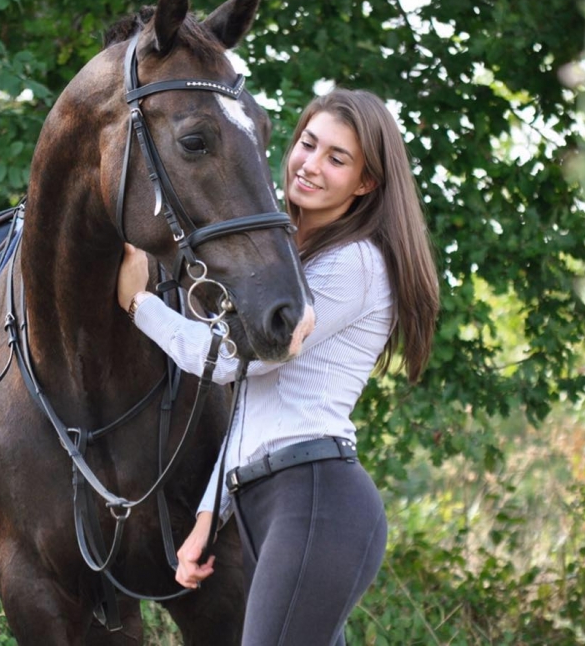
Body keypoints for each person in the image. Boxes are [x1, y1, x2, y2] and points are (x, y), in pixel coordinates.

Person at [117, 88, 439, 646]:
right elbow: (251, 408)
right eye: (308, 144)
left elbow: (228, 364)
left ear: (366, 183)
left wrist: (138, 305)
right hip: (273, 501)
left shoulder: (354, 264)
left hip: (315, 497)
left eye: (337, 159)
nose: (311, 165)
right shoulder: (290, 267)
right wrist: (203, 522)